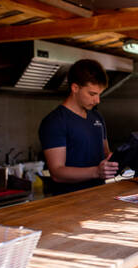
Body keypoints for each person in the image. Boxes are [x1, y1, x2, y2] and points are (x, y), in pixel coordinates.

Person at [39, 59, 118, 195]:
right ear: (75, 88)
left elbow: (106, 154)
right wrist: (96, 172)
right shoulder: (55, 121)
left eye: (100, 94)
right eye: (92, 94)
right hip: (69, 203)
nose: (97, 100)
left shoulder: (97, 117)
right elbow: (57, 172)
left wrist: (121, 158)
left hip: (99, 196)